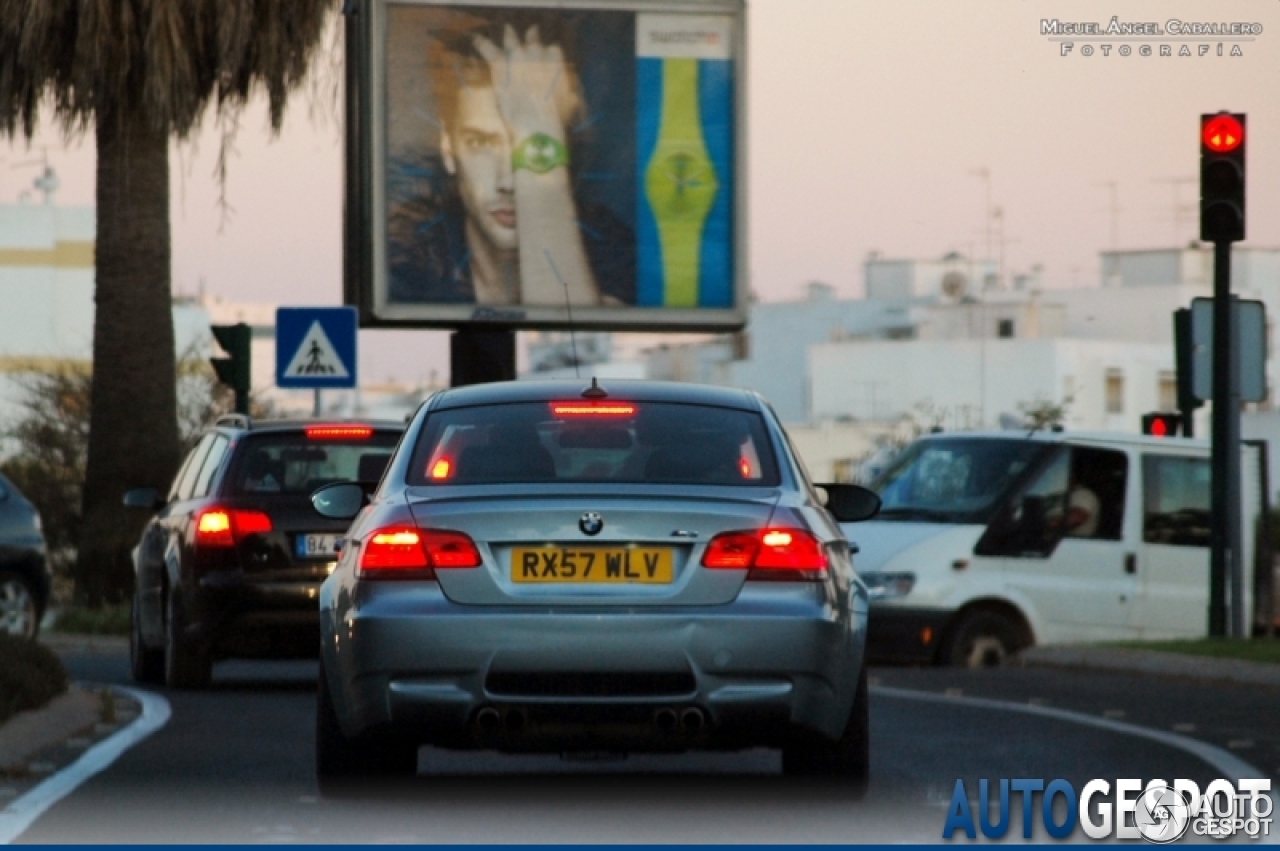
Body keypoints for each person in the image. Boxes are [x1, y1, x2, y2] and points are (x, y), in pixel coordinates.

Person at [389, 21, 633, 307]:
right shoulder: (415, 246)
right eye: (481, 143)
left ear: (564, 149)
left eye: (540, 143)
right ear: (447, 149)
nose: (508, 182)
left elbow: (566, 344)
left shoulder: (604, 242)